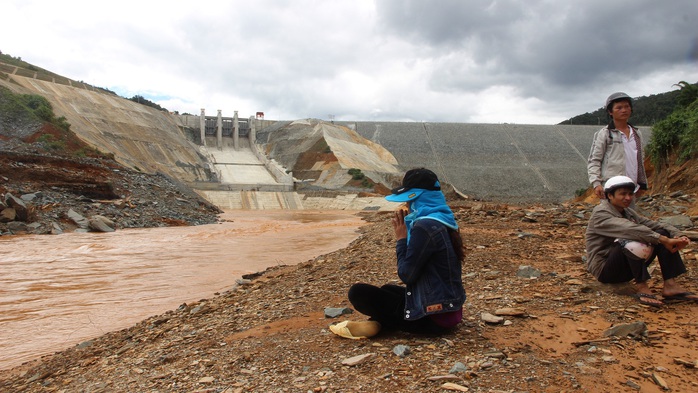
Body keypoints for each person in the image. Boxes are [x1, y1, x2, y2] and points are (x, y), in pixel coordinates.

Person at [329, 168, 466, 339]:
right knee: (388, 290)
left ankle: (379, 323)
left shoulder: (424, 227)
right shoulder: (444, 219)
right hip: (451, 312)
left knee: (358, 292)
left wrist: (401, 238)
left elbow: (406, 275)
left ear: (417, 198)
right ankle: (382, 322)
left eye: (410, 200)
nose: (407, 206)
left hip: (433, 319)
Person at [585, 175, 696, 307]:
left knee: (662, 232)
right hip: (605, 269)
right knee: (633, 239)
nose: (628, 198)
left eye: (630, 194)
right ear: (610, 195)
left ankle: (670, 285)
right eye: (623, 194)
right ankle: (641, 286)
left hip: (627, 266)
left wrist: (678, 236)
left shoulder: (628, 212)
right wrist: (664, 240)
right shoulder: (601, 214)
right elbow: (630, 229)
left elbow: (655, 225)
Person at [587, 92, 648, 201]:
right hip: (612, 187)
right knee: (611, 216)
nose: (624, 110)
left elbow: (640, 159)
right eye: (619, 108)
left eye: (627, 107)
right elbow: (594, 160)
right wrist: (596, 183)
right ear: (610, 112)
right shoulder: (605, 134)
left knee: (630, 216)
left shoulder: (637, 133)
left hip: (631, 188)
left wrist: (641, 183)